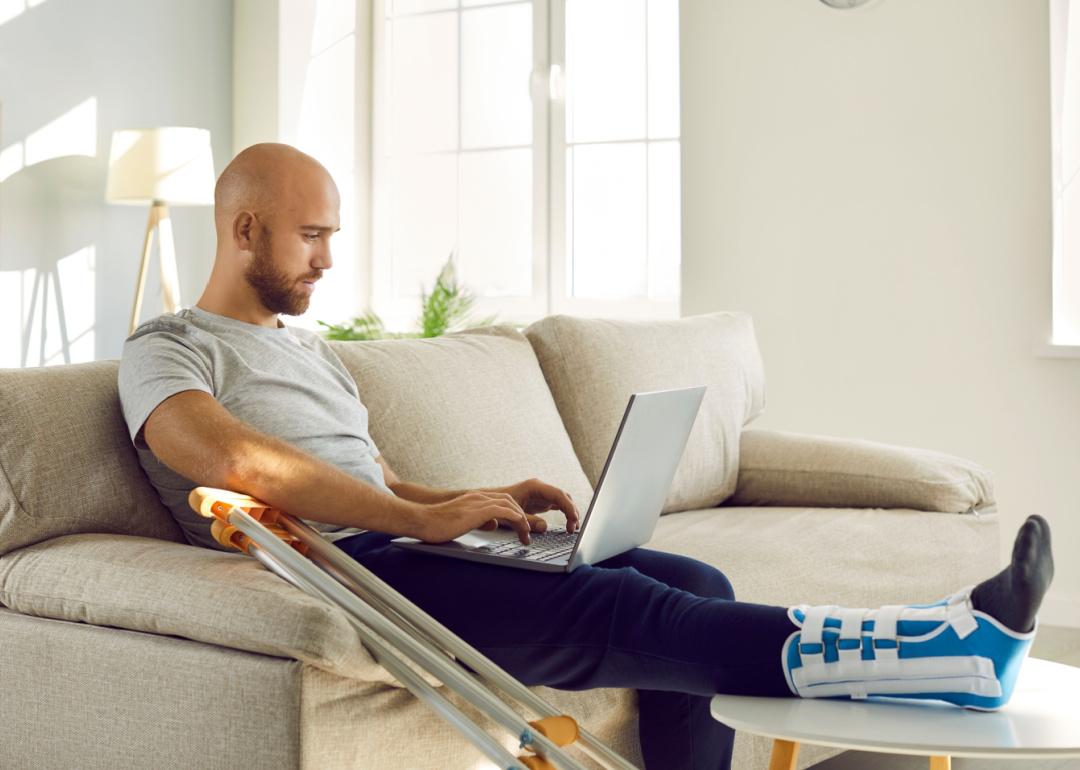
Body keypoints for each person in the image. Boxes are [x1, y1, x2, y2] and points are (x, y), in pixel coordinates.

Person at [118, 144, 1055, 770]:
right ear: (245, 231)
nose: (326, 258)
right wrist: (416, 521)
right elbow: (230, 461)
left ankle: (933, 637)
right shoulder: (168, 347)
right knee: (624, 606)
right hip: (351, 569)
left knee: (696, 576)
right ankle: (942, 649)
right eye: (311, 234)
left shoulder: (307, 351)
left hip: (400, 542)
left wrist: (468, 499)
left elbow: (379, 477)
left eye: (331, 236)